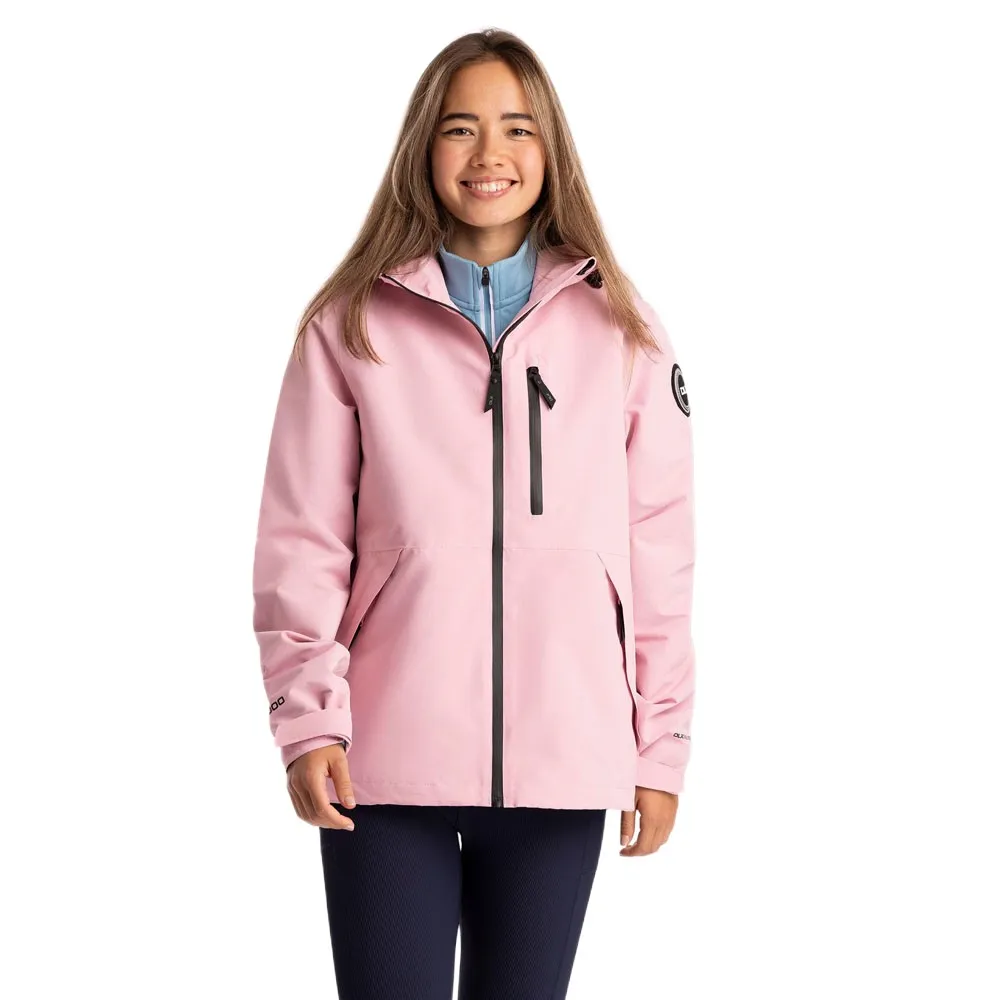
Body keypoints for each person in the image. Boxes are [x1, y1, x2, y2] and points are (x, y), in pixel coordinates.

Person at [252, 27, 697, 1000]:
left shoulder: (623, 329)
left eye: (516, 128)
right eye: (460, 128)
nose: (489, 154)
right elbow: (302, 541)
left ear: (550, 149)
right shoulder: (349, 325)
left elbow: (659, 552)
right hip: (381, 765)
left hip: (563, 760)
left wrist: (659, 746)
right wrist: (308, 723)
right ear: (424, 147)